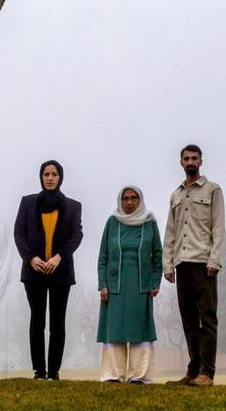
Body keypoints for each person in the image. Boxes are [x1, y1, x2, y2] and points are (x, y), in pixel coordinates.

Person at [13, 159, 83, 380]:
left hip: (60, 273)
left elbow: (76, 235)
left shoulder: (73, 206)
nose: (50, 178)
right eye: (46, 174)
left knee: (57, 323)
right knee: (37, 321)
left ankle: (54, 372)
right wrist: (31, 258)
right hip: (34, 272)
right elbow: (19, 233)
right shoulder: (27, 202)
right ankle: (39, 371)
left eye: (54, 174)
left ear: (60, 177)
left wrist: (59, 257)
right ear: (41, 177)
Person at [162, 144, 225, 387]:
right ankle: (193, 370)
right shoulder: (176, 195)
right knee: (188, 320)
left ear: (201, 161)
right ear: (181, 163)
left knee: (207, 318)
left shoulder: (212, 190)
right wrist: (168, 265)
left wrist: (214, 259)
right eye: (186, 158)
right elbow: (170, 232)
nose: (190, 162)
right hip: (182, 264)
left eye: (194, 158)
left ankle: (207, 373)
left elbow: (218, 227)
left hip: (203, 264)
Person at [97, 185, 163, 383]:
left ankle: (139, 376)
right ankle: (113, 375)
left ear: (140, 200)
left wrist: (155, 281)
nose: (129, 202)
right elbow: (103, 256)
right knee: (114, 328)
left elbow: (158, 255)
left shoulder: (149, 223)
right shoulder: (112, 222)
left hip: (141, 284)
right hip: (114, 285)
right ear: (120, 200)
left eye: (134, 198)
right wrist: (103, 284)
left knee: (139, 328)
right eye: (125, 198)